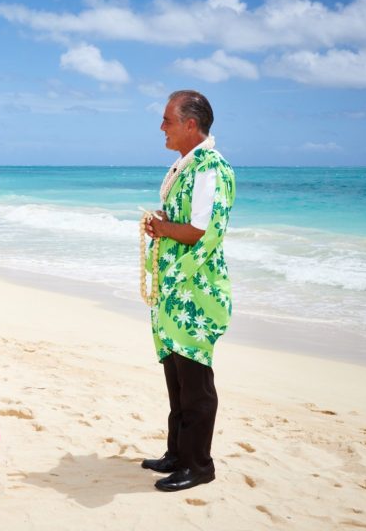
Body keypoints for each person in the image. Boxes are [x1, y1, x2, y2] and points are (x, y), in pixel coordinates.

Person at [140, 90, 236, 492]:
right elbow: (187, 221)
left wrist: (162, 228)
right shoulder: (188, 165)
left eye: (168, 120)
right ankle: (178, 453)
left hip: (195, 292)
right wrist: (163, 223)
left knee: (195, 378)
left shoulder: (210, 168)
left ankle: (199, 464)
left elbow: (200, 231)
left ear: (190, 125)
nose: (162, 127)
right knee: (176, 373)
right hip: (176, 289)